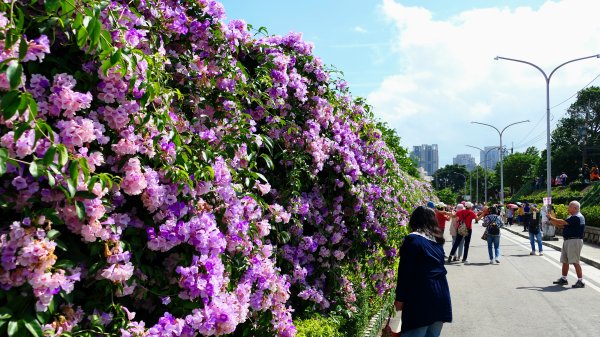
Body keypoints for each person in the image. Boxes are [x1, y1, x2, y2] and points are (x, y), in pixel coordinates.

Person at [394, 206, 452, 337]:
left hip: (420, 299)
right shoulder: (436, 242)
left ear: (414, 221)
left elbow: (405, 275)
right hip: (441, 297)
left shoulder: (412, 240)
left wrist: (399, 302)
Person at [548, 201, 586, 288]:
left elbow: (562, 222)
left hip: (574, 241)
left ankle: (581, 281)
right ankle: (564, 278)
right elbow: (561, 225)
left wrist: (551, 218)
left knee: (575, 261)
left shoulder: (577, 217)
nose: (568, 208)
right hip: (568, 241)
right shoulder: (571, 217)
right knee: (565, 261)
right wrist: (551, 219)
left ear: (575, 208)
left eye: (569, 206)